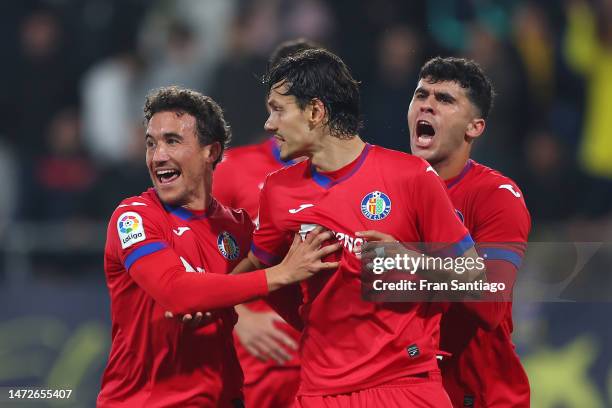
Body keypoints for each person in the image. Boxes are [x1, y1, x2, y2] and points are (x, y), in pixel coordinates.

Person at [232, 49, 483, 407]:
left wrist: (411, 261)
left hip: (404, 387)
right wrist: (207, 299)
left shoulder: (411, 177)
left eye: (278, 109)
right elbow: (260, 271)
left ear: (316, 112)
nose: (269, 124)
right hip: (320, 392)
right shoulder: (279, 190)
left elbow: (477, 281)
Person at [97, 86, 340, 407]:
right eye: (151, 144)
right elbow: (176, 292)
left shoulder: (238, 228)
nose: (158, 156)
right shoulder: (134, 218)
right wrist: (280, 274)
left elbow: (296, 309)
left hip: (224, 397)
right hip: (145, 401)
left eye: (172, 141)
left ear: (210, 152)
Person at [408, 57, 531, 407]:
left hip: (478, 394)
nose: (427, 105)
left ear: (474, 127)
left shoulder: (496, 196)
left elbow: (491, 302)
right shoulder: (386, 189)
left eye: (445, 100)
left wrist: (398, 261)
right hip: (407, 390)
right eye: (421, 95)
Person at [213, 38, 318, 408]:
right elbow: (186, 261)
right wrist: (239, 317)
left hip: (338, 370)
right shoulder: (232, 171)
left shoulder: (363, 174)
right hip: (262, 369)